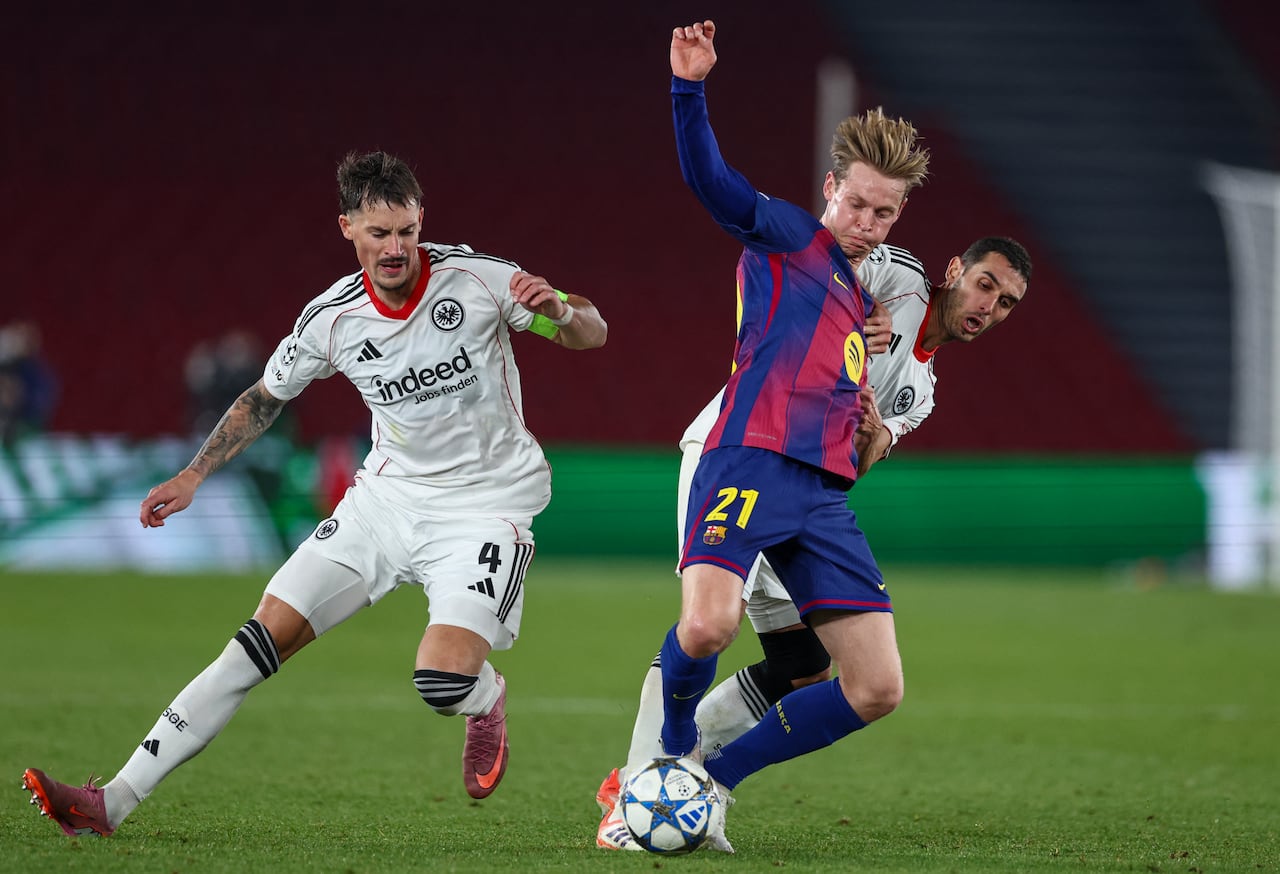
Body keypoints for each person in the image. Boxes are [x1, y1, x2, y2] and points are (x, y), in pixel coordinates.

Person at [21, 149, 608, 837]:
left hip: (485, 510)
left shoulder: (480, 283)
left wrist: (562, 310)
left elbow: (590, 334)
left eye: (408, 232)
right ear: (348, 228)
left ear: (422, 226)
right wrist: (193, 474)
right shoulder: (331, 320)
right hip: (382, 506)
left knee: (442, 682)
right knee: (251, 647)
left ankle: (485, 699)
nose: (396, 249)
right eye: (380, 233)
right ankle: (109, 802)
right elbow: (264, 400)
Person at [595, 236, 1032, 850]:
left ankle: (700, 783)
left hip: (805, 489)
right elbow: (820, 268)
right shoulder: (900, 277)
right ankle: (633, 793)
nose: (989, 306)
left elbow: (862, 459)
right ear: (954, 270)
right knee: (707, 623)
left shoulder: (921, 393)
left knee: (804, 667)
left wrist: (872, 433)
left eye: (1007, 303)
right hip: (740, 448)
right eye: (986, 285)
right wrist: (859, 311)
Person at [625, 20, 934, 854]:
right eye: (858, 202)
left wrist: (869, 419)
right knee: (708, 629)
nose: (868, 220)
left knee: (876, 686)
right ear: (830, 188)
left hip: (820, 496)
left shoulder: (856, 304)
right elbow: (711, 181)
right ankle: (663, 761)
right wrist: (688, 88)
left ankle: (712, 785)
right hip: (748, 461)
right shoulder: (790, 235)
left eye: (885, 210)